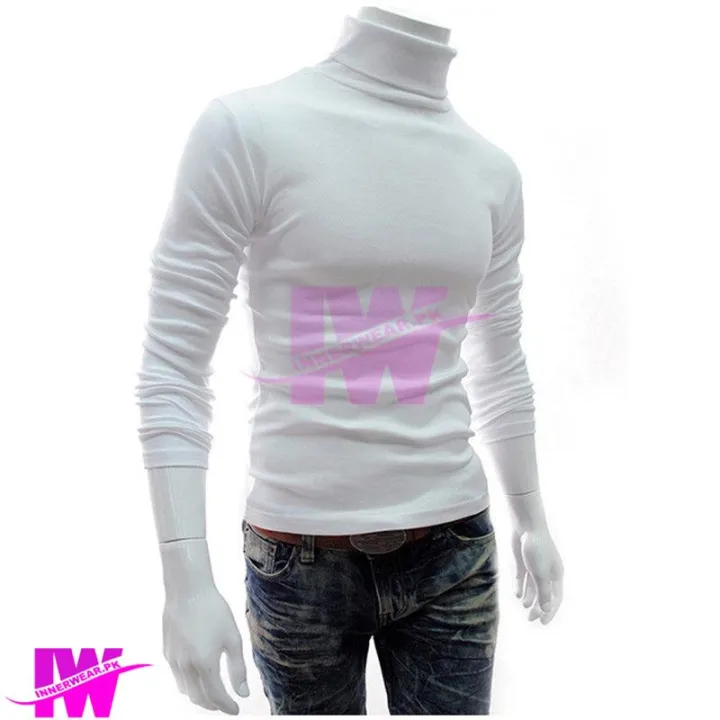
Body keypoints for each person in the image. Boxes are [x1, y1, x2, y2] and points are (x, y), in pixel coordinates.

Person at [135, 4, 564, 715]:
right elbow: (174, 365)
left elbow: (501, 362)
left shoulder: (492, 173)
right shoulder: (248, 130)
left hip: (455, 547)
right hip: (300, 558)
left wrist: (531, 518)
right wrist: (184, 579)